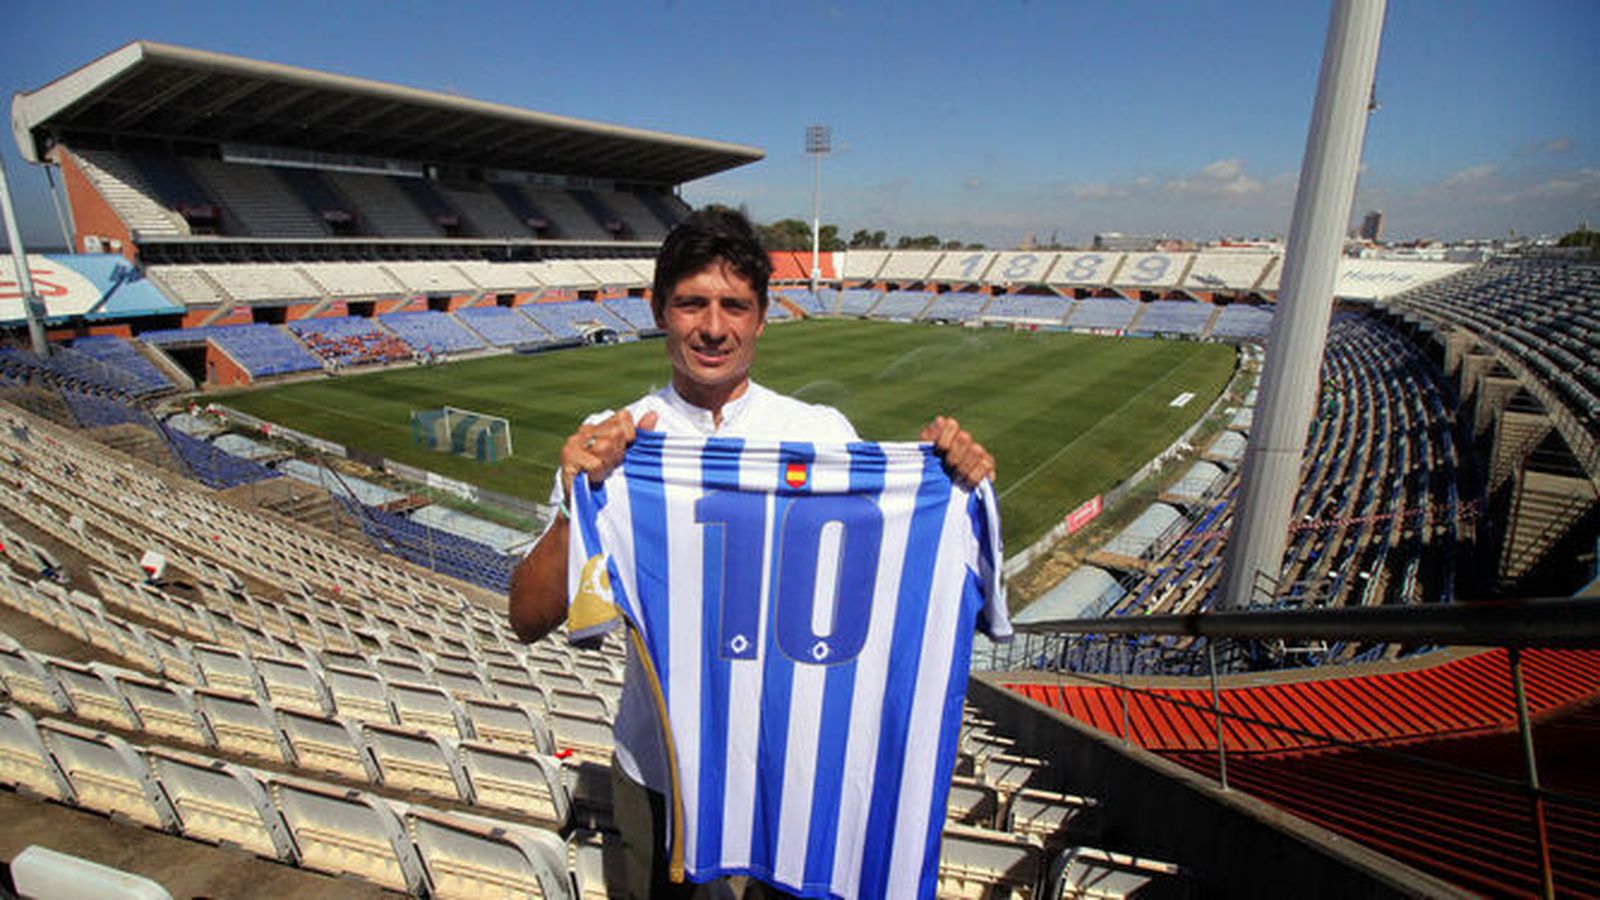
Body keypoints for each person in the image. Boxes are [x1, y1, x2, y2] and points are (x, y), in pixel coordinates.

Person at [508, 208, 994, 899]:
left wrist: (949, 483)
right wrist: (575, 501)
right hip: (661, 773)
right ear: (658, 310)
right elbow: (527, 617)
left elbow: (888, 587)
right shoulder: (609, 442)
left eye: (734, 305)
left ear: (762, 317)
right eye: (691, 303)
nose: (713, 326)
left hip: (788, 769)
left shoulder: (820, 434)